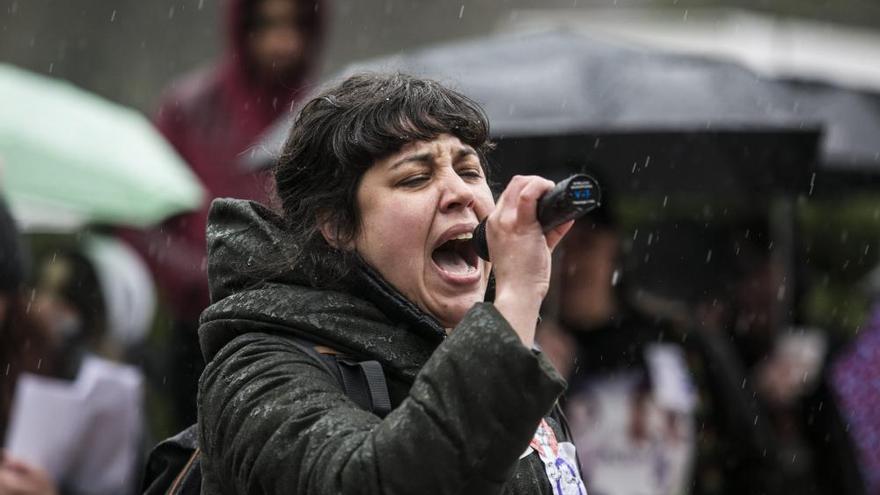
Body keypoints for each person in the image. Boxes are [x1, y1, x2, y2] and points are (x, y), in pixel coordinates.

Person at [195, 73, 588, 494]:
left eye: (469, 170)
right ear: (337, 226)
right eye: (415, 178)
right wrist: (517, 298)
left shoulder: (502, 349)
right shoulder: (256, 370)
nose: (460, 193)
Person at [122, 0, 326, 429]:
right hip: (200, 327)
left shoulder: (320, 110)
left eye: (294, 25)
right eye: (267, 25)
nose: (281, 41)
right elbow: (142, 217)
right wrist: (201, 274)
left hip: (294, 328)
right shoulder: (189, 109)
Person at [537, 210, 785, 495]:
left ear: (614, 245)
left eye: (585, 243)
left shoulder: (677, 341)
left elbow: (749, 452)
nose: (571, 263)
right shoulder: (524, 350)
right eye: (555, 247)